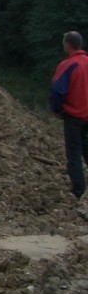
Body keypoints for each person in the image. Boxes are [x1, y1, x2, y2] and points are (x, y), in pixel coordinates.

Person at [49, 30, 88, 198]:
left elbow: (57, 91)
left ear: (68, 45)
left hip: (74, 116)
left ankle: (78, 191)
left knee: (73, 155)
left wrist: (58, 110)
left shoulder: (68, 64)